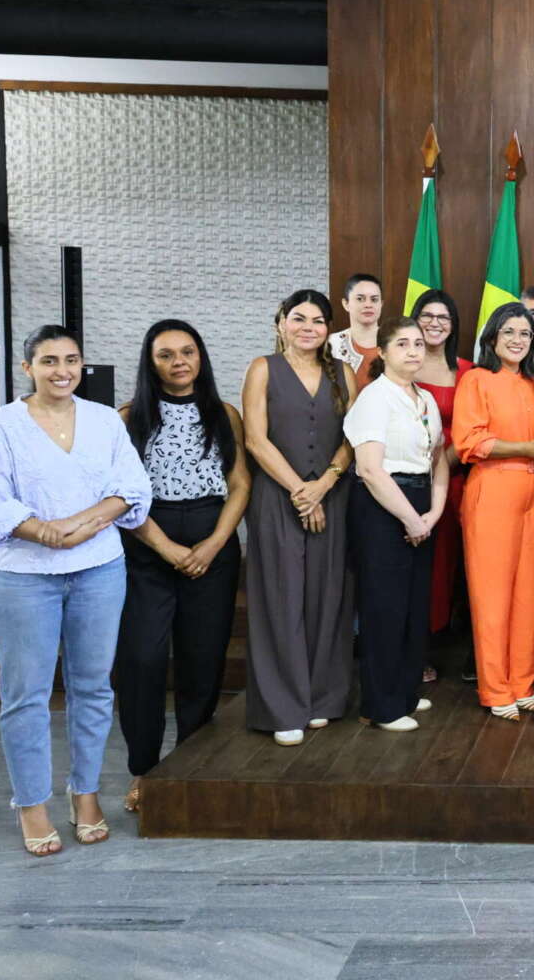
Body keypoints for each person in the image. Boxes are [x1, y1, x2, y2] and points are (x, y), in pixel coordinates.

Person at [0, 325, 151, 856]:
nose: (62, 371)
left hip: (99, 568)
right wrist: (45, 531)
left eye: (71, 360)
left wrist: (84, 521)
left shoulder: (102, 419)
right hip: (23, 576)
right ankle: (31, 804)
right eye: (49, 361)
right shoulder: (0, 425)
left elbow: (132, 485)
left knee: (93, 687)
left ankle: (87, 794)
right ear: (28, 368)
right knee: (25, 695)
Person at [117, 320, 250, 813]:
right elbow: (123, 495)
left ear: (201, 357)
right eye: (166, 354)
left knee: (202, 662)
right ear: (150, 363)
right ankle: (144, 772)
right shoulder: (128, 417)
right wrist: (166, 548)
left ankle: (188, 767)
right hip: (148, 542)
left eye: (188, 352)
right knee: (143, 661)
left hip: (212, 542)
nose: (179, 362)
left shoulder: (225, 414)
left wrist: (216, 542)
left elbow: (239, 484)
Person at [241, 289, 357, 745]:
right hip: (277, 498)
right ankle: (282, 706)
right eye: (299, 318)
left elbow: (354, 437)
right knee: (280, 598)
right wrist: (300, 492)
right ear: (281, 322)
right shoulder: (262, 369)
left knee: (328, 596)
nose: (308, 328)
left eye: (318, 321)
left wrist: (324, 485)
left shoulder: (343, 372)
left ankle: (323, 698)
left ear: (330, 329)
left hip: (333, 496)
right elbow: (255, 439)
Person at [454, 303, 534, 720]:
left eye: (524, 333)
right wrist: (525, 449)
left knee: (528, 595)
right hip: (493, 488)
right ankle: (496, 688)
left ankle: (522, 682)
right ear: (492, 339)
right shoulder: (477, 380)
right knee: (492, 596)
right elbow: (470, 442)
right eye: (509, 332)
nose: (518, 340)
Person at [345, 317, 448, 732]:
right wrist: (410, 518)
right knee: (383, 607)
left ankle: (405, 690)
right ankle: (381, 705)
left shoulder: (425, 398)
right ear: (383, 352)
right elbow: (369, 469)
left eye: (419, 343)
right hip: (383, 507)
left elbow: (439, 458)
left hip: (422, 503)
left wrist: (434, 513)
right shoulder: (375, 397)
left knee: (411, 605)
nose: (413, 351)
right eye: (402, 343)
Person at [411, 289, 473, 669]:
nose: (435, 323)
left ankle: (467, 648)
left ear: (453, 327)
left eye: (443, 318)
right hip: (413, 481)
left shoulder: (468, 371)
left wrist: (445, 463)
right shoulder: (403, 366)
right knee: (424, 566)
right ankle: (420, 651)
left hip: (460, 480)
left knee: (458, 566)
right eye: (427, 316)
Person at [328, 272, 384, 388]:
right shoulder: (331, 344)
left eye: (374, 300)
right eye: (360, 299)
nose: (368, 304)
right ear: (346, 304)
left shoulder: (395, 341)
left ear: (381, 304)